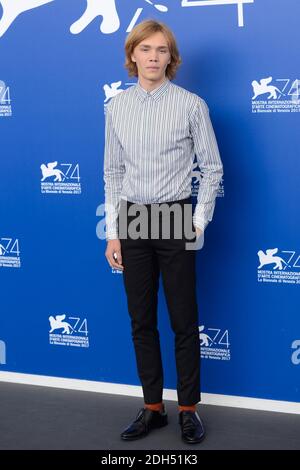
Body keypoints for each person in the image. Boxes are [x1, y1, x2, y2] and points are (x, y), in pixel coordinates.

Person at [103, 19, 223, 444]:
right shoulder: (116, 107)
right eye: (146, 49)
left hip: (175, 216)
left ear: (172, 58)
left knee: (183, 320)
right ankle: (152, 408)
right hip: (133, 218)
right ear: (132, 55)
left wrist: (197, 220)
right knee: (141, 320)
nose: (154, 57)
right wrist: (114, 232)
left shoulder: (191, 104)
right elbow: (113, 172)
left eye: (162, 50)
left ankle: (188, 410)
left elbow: (212, 169)